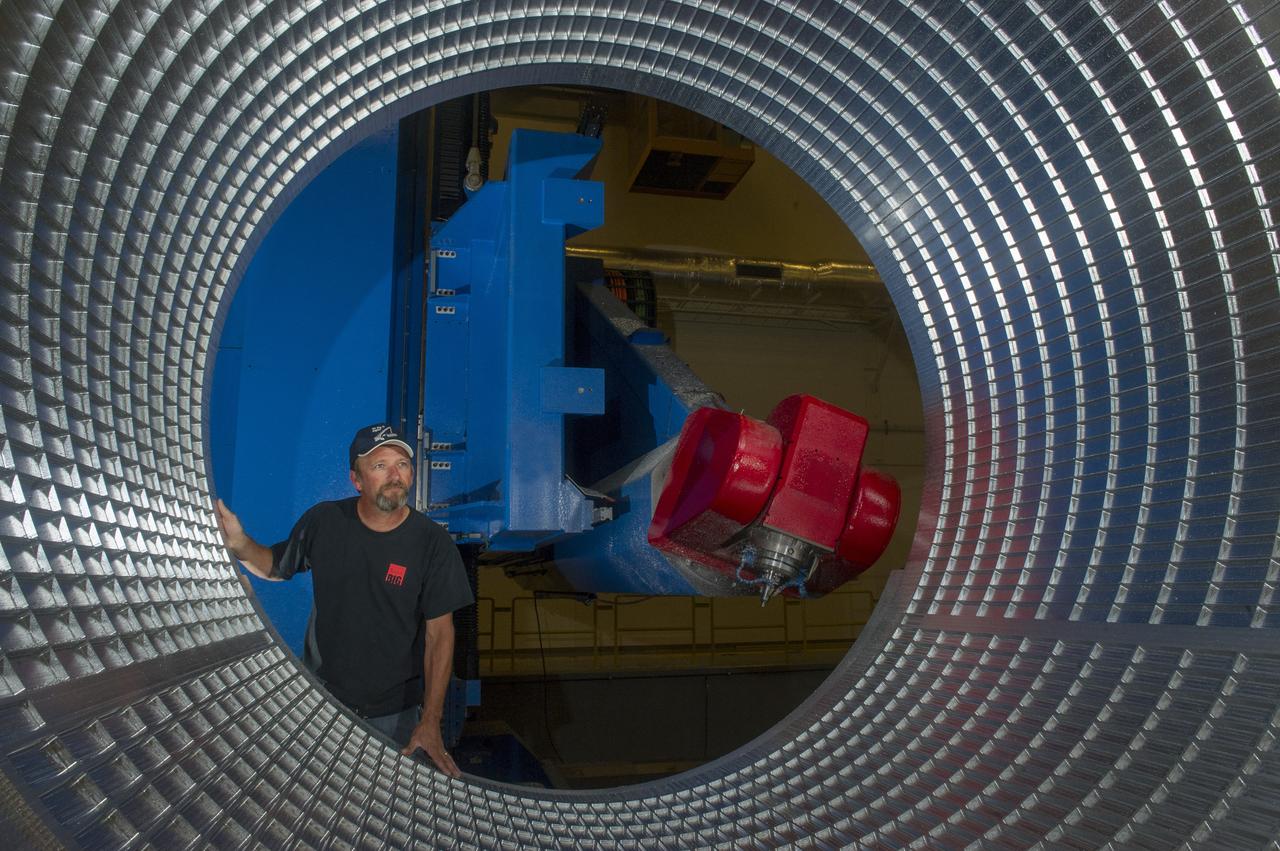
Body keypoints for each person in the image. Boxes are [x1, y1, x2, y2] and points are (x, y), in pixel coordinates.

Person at [215, 423, 474, 777]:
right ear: (357, 479)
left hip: (393, 716)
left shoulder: (432, 544)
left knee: (386, 813)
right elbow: (276, 566)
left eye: (402, 464)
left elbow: (440, 635)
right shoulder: (325, 521)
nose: (394, 475)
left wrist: (430, 719)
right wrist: (241, 544)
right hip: (323, 704)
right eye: (380, 466)